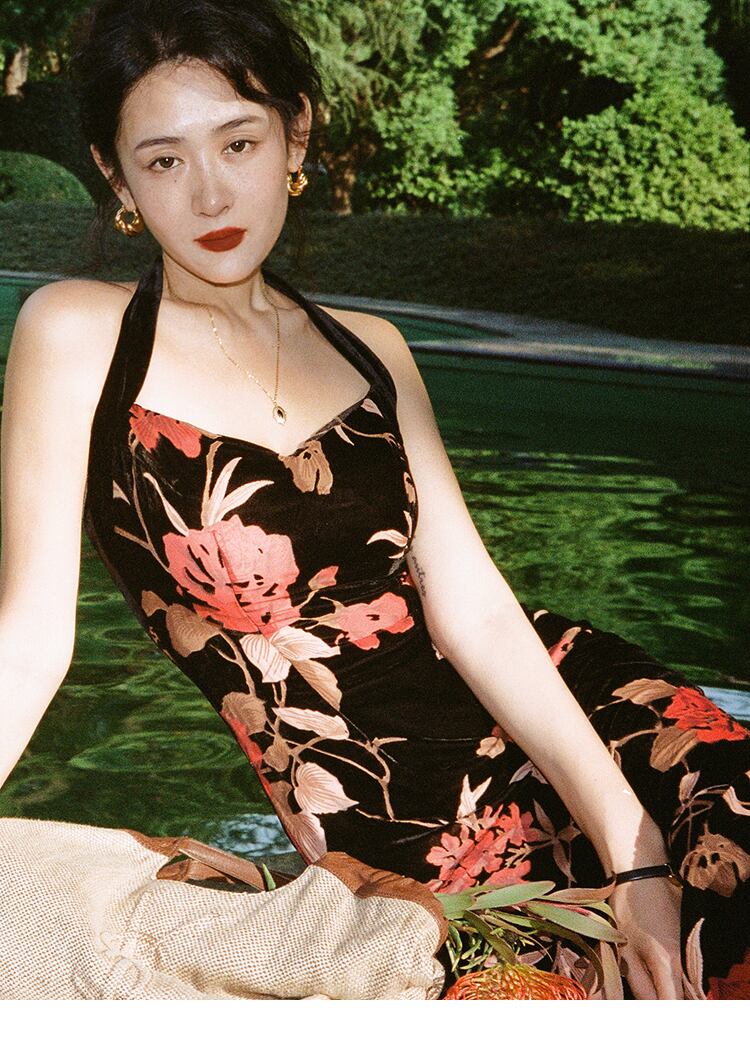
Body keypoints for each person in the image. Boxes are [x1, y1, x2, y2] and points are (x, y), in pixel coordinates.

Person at [1, 0, 748, 1001]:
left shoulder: (374, 352)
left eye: (239, 142)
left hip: (578, 722)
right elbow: (29, 644)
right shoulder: (76, 336)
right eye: (165, 159)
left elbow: (475, 609)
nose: (210, 190)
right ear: (116, 175)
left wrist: (636, 850)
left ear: (296, 136)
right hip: (391, 819)